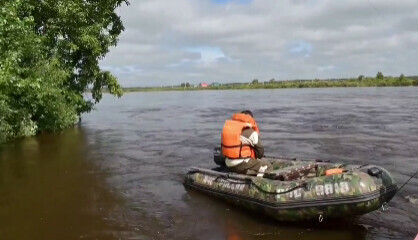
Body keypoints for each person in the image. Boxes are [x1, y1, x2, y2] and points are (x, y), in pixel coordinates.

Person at [221, 110, 273, 177]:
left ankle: (246, 174)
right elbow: (260, 152)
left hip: (228, 163)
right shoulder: (251, 132)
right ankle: (258, 181)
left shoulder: (229, 130)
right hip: (240, 163)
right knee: (268, 166)